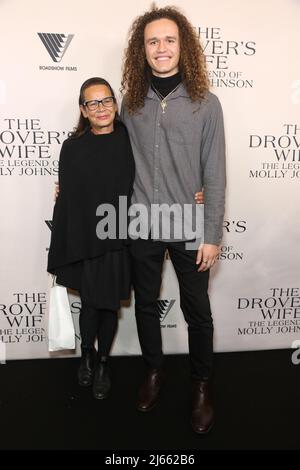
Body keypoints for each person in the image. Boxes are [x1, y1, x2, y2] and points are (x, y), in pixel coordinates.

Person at [120, 5, 226, 434]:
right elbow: (109, 153)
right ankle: (153, 372)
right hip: (142, 220)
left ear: (183, 46)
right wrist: (72, 183)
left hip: (188, 221)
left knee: (197, 310)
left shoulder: (206, 103)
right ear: (140, 49)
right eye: (152, 41)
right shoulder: (130, 102)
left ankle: (201, 385)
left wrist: (212, 233)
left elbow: (215, 172)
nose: (160, 48)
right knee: (145, 304)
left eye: (168, 40)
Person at [47, 77, 135, 400]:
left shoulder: (129, 139)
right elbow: (68, 198)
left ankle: (103, 363)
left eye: (106, 101)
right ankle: (86, 354)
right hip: (86, 238)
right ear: (83, 109)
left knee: (108, 305)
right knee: (89, 304)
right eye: (93, 103)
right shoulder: (72, 147)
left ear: (115, 103)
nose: (101, 108)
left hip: (118, 236)